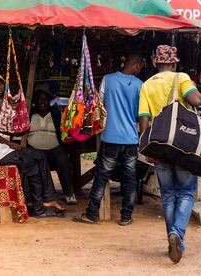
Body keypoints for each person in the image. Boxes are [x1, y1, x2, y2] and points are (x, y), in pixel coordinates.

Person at [138, 45, 201, 264]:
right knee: (186, 192)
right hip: (183, 146)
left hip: (159, 146)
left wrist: (146, 147)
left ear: (156, 63)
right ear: (173, 63)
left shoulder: (147, 85)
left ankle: (173, 240)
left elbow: (143, 118)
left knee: (167, 195)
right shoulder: (181, 78)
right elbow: (196, 101)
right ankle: (177, 233)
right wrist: (193, 88)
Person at [0, 73, 65, 218]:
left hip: (3, 150)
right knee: (33, 166)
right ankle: (40, 207)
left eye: (1, 84)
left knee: (40, 156)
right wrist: (10, 144)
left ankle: (48, 199)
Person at [73, 53, 145, 226]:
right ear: (135, 66)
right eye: (141, 66)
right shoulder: (140, 85)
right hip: (130, 139)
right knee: (130, 179)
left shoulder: (108, 79)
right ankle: (126, 217)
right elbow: (141, 114)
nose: (141, 69)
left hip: (110, 137)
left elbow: (100, 106)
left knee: (101, 176)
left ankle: (91, 214)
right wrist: (143, 136)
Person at [28, 84, 77, 204]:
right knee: (32, 160)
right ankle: (36, 196)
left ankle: (69, 193)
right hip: (35, 149)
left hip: (54, 149)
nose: (42, 102)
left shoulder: (56, 114)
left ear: (49, 100)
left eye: (45, 99)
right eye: (39, 98)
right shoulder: (29, 114)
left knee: (62, 159)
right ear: (34, 101)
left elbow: (64, 133)